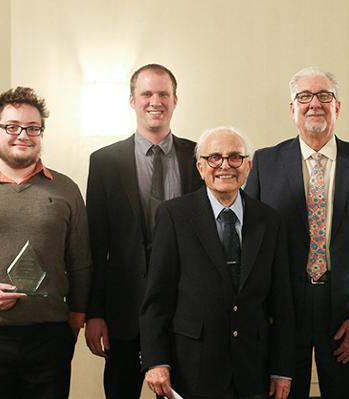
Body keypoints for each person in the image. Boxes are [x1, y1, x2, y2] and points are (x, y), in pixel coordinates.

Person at [245, 67, 349, 398]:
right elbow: (252, 249)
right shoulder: (264, 163)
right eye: (304, 96)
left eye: (324, 96)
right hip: (285, 309)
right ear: (292, 109)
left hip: (348, 308)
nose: (314, 103)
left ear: (337, 107)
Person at [0, 86, 92, 398]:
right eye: (12, 127)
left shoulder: (67, 190)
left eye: (32, 128)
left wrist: (76, 320)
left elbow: (81, 263)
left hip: (49, 339)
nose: (23, 135)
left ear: (40, 134)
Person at [140, 127, 295, 399]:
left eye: (235, 157)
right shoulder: (174, 216)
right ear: (200, 167)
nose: (225, 165)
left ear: (248, 166)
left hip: (252, 369)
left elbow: (282, 302)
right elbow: (157, 298)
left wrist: (282, 369)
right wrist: (156, 361)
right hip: (191, 367)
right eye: (214, 158)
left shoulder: (270, 221)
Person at [84, 63, 203, 398]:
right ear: (132, 100)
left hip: (185, 308)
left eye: (163, 94)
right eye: (147, 93)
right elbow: (96, 242)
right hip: (124, 311)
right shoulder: (104, 162)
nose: (156, 101)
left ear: (175, 100)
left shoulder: (199, 156)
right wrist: (94, 313)